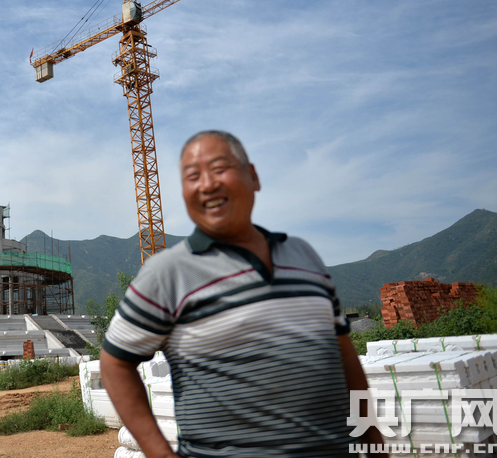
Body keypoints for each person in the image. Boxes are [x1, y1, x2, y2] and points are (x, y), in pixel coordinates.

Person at [100, 131, 384, 458]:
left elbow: (345, 357)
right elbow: (114, 364)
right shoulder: (167, 272)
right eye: (192, 176)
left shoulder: (304, 256)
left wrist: (372, 437)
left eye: (219, 168)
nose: (207, 184)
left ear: (254, 176)